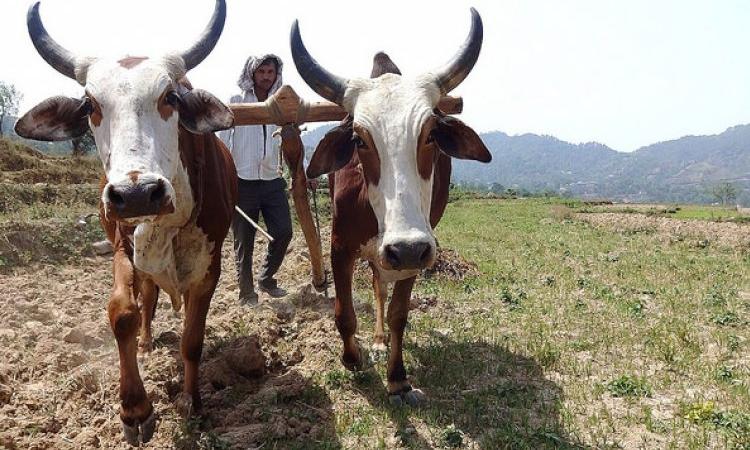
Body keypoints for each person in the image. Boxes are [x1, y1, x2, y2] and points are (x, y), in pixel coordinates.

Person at [219, 54, 292, 304]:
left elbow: (292, 140)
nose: (266, 77)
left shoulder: (282, 104)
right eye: (261, 72)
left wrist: (304, 170)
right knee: (244, 243)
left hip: (272, 179)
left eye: (270, 72)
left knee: (283, 232)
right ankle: (247, 294)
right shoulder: (236, 101)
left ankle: (266, 279)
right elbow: (223, 141)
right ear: (252, 73)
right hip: (242, 181)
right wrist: (223, 179)